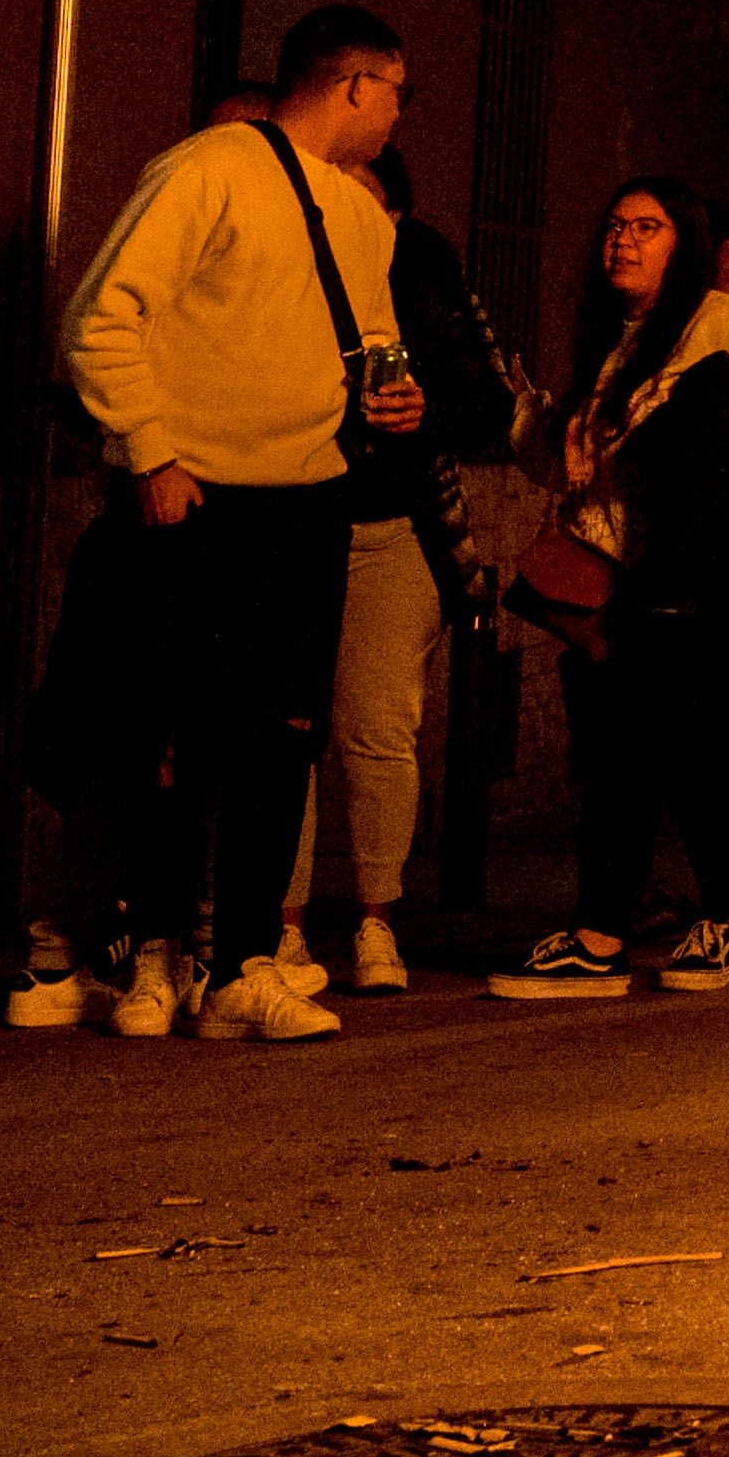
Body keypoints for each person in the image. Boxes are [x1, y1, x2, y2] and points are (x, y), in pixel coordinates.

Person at [57, 5, 427, 1041]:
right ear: (354, 82)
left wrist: (398, 399)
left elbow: (372, 346)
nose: (399, 114)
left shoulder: (359, 217)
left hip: (309, 500)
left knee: (281, 740)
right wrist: (154, 449)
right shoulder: (209, 167)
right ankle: (157, 955)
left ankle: (248, 962)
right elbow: (101, 313)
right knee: (176, 735)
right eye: (396, 90)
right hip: (198, 494)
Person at [487, 176, 729, 1001]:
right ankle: (599, 936)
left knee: (703, 748)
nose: (624, 241)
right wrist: (527, 417)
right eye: (614, 226)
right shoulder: (613, 334)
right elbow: (583, 462)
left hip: (701, 580)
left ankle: (727, 919)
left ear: (687, 243)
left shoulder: (720, 321)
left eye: (647, 227)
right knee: (616, 755)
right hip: (622, 583)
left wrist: (704, 468)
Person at [276, 143, 509, 997]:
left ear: (396, 212)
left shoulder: (423, 263)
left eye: (360, 198)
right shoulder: (279, 252)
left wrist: (426, 410)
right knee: (282, 728)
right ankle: (282, 925)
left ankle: (378, 920)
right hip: (288, 522)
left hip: (391, 525)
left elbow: (491, 395)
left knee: (376, 728)